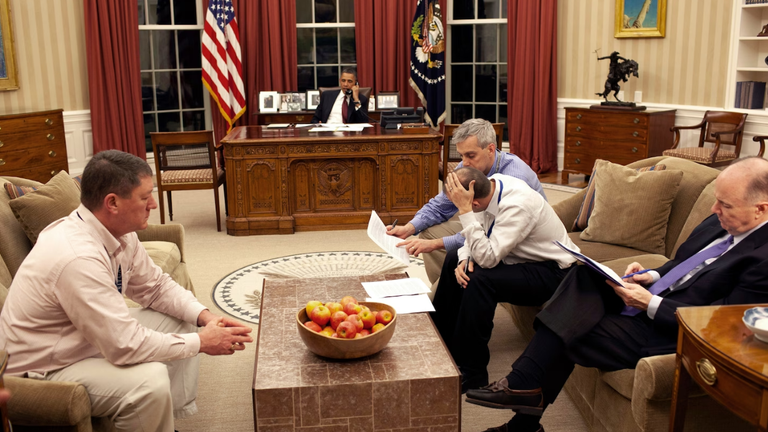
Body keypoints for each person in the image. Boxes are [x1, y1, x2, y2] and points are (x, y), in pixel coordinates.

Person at [465, 157, 768, 432]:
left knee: (570, 328)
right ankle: (524, 392)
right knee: (583, 274)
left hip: (669, 330)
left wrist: (651, 302)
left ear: (761, 209)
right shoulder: (723, 219)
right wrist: (650, 275)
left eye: (724, 205)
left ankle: (523, 405)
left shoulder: (762, 258)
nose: (714, 210)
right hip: (653, 298)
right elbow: (680, 262)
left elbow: (722, 324)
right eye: (716, 201)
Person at [0, 150, 254, 432]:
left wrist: (205, 318)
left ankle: (165, 421)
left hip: (80, 339)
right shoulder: (77, 257)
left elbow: (156, 287)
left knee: (182, 319)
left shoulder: (116, 231)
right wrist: (202, 343)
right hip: (42, 370)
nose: (154, 204)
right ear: (112, 203)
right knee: (149, 381)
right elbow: (123, 345)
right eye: (145, 197)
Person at [430, 167, 577, 394]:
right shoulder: (490, 186)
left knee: (480, 280)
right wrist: (463, 259)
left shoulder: (518, 205)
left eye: (463, 206)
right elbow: (475, 234)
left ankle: (473, 372)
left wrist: (465, 212)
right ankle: (439, 340)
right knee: (452, 258)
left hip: (554, 272)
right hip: (519, 259)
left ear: (473, 201)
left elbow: (488, 258)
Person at [387, 118, 546, 285]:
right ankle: (445, 289)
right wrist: (409, 228)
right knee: (427, 233)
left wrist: (434, 244)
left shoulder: (515, 176)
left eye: (471, 155)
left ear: (490, 149)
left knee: (433, 242)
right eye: (461, 156)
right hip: (483, 223)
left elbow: (490, 232)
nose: (465, 163)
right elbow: (441, 205)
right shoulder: (468, 167)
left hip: (517, 238)